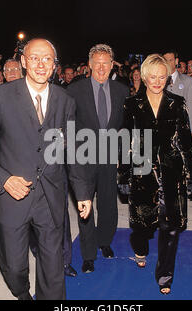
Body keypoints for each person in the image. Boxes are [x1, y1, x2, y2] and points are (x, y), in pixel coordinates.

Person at [0, 38, 92, 300]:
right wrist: (4, 179)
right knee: (13, 267)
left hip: (50, 197)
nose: (40, 64)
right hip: (12, 197)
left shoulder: (65, 101)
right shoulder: (1, 96)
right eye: (34, 58)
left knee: (53, 266)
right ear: (23, 61)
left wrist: (82, 192)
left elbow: (70, 150)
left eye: (47, 59)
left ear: (55, 65)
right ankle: (22, 294)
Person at [118, 54, 192, 294]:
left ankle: (165, 275)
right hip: (142, 172)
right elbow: (124, 142)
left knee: (171, 228)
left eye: (162, 77)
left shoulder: (177, 103)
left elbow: (185, 142)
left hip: (172, 173)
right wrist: (123, 175)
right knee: (142, 227)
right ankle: (140, 248)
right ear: (143, 77)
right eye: (152, 77)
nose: (157, 81)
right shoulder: (131, 104)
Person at [67, 44, 129, 273]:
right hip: (83, 155)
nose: (101, 67)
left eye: (106, 63)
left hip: (110, 155)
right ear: (89, 65)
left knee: (108, 202)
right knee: (85, 205)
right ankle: (88, 254)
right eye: (97, 63)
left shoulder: (122, 90)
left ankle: (105, 242)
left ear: (112, 65)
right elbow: (69, 124)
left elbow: (125, 126)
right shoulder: (75, 90)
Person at [163, 50, 192, 139]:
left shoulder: (187, 81)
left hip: (180, 127)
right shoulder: (158, 81)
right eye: (165, 60)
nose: (168, 63)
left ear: (176, 61)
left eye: (170, 60)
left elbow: (190, 105)